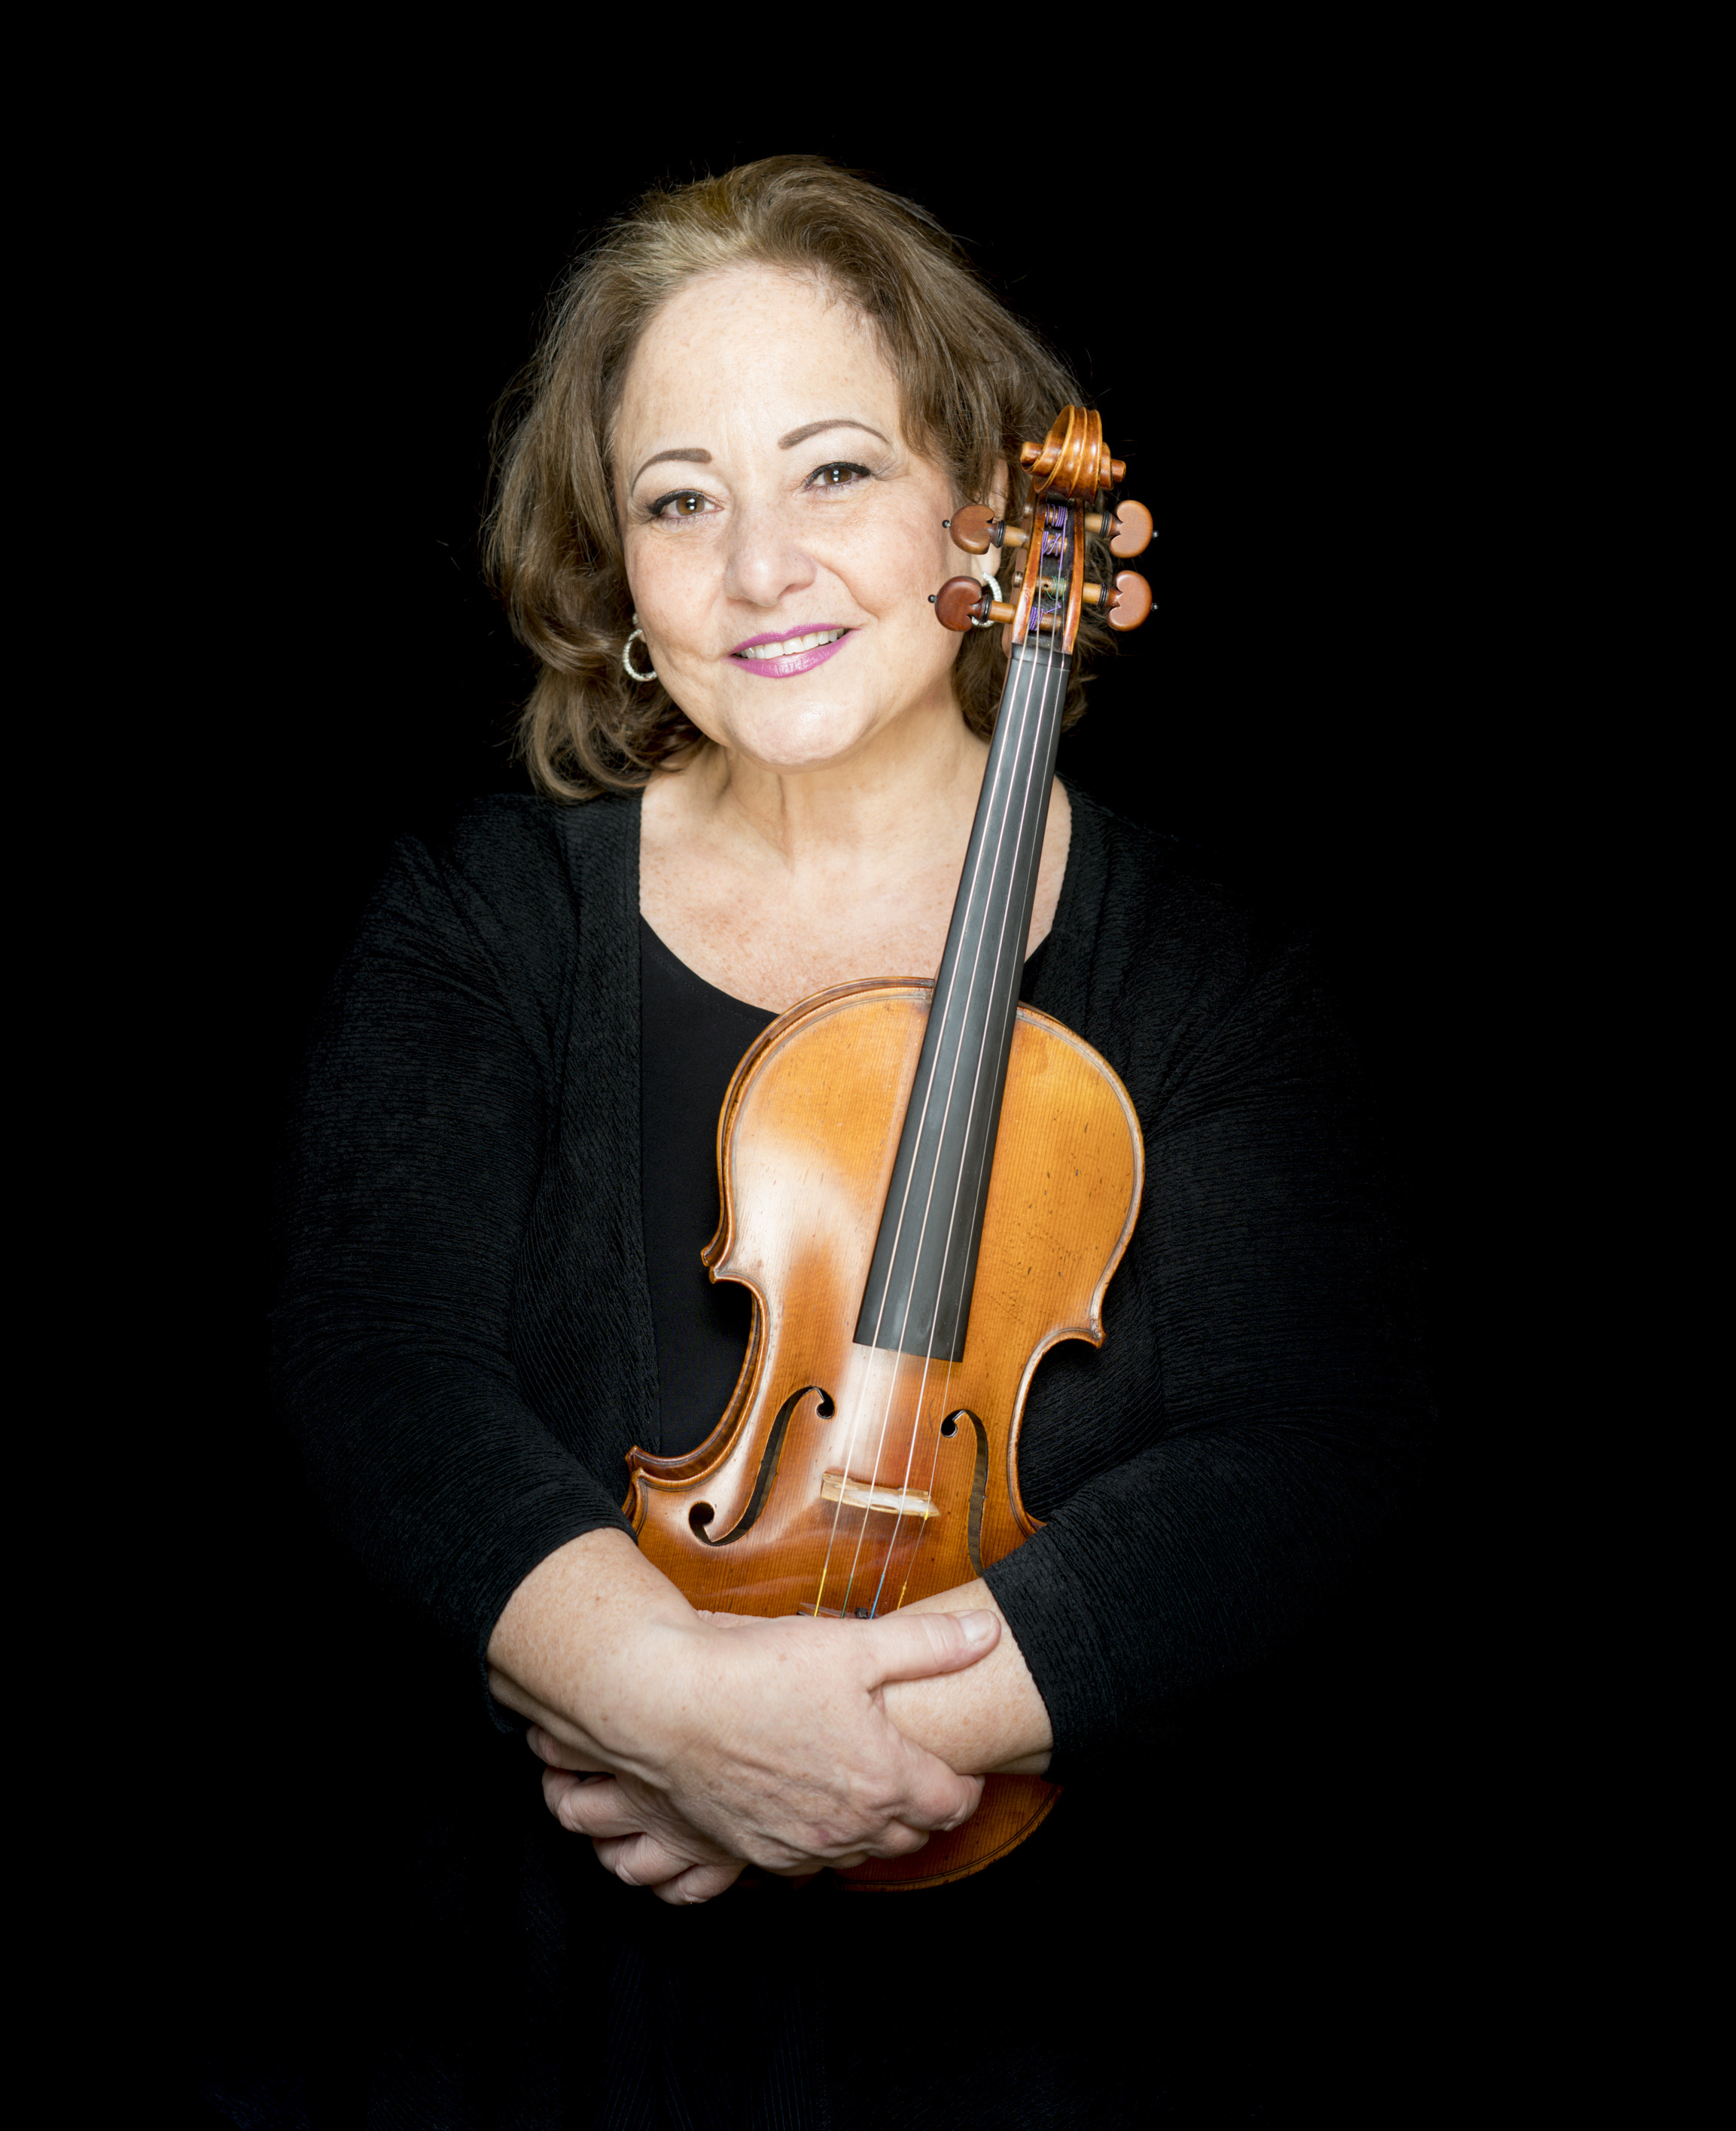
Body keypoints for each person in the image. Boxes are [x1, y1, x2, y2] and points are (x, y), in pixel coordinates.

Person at [260, 157, 1431, 2127]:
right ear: (617, 577)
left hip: (1050, 2033)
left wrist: (815, 1762)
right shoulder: (481, 918)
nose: (756, 573)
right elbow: (381, 1373)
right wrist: (671, 1705)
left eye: (831, 475)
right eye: (678, 501)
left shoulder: (1212, 970)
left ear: (979, 515)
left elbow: (1301, 1444)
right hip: (515, 2021)